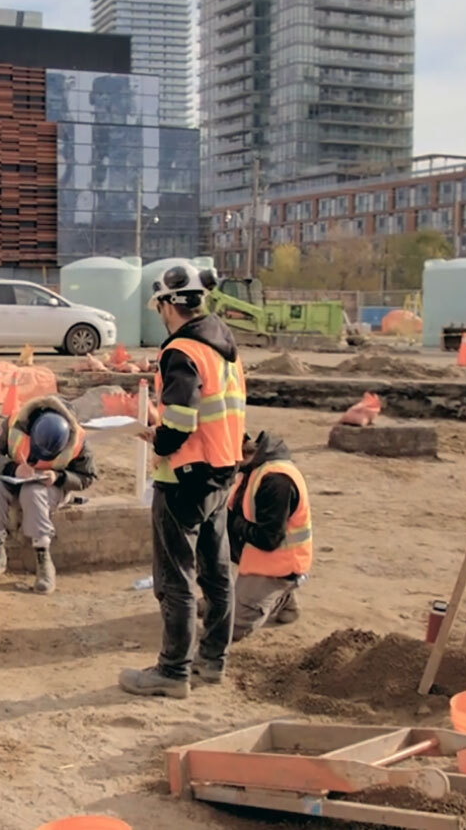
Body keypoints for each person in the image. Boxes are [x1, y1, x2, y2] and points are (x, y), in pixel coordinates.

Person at [120, 263, 246, 698]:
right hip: (221, 470)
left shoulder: (182, 352)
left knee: (175, 577)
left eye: (158, 305)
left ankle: (172, 672)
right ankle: (213, 662)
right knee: (216, 573)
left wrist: (159, 436)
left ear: (170, 304)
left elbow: (181, 421)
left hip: (185, 476)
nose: (158, 312)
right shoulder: (223, 349)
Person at [0, 395, 96, 594]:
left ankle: (44, 562)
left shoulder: (78, 439)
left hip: (50, 487)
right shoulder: (14, 423)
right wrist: (12, 469)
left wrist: (58, 476)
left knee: (32, 493)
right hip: (14, 479)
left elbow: (87, 476)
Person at [228, 430, 313, 642]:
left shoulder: (275, 481)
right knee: (215, 609)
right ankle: (276, 596)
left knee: (226, 629)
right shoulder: (254, 470)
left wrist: (230, 522)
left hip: (276, 563)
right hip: (259, 558)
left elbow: (268, 539)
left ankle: (280, 591)